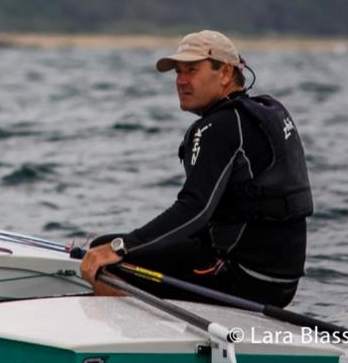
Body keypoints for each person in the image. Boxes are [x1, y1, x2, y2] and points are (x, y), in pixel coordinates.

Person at [79, 30, 313, 308]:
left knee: (106, 262)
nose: (181, 81)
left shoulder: (219, 127)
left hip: (241, 278)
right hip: (281, 283)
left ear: (225, 73)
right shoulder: (265, 111)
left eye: (191, 70)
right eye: (178, 72)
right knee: (113, 246)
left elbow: (195, 210)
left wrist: (122, 246)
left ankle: (143, 340)